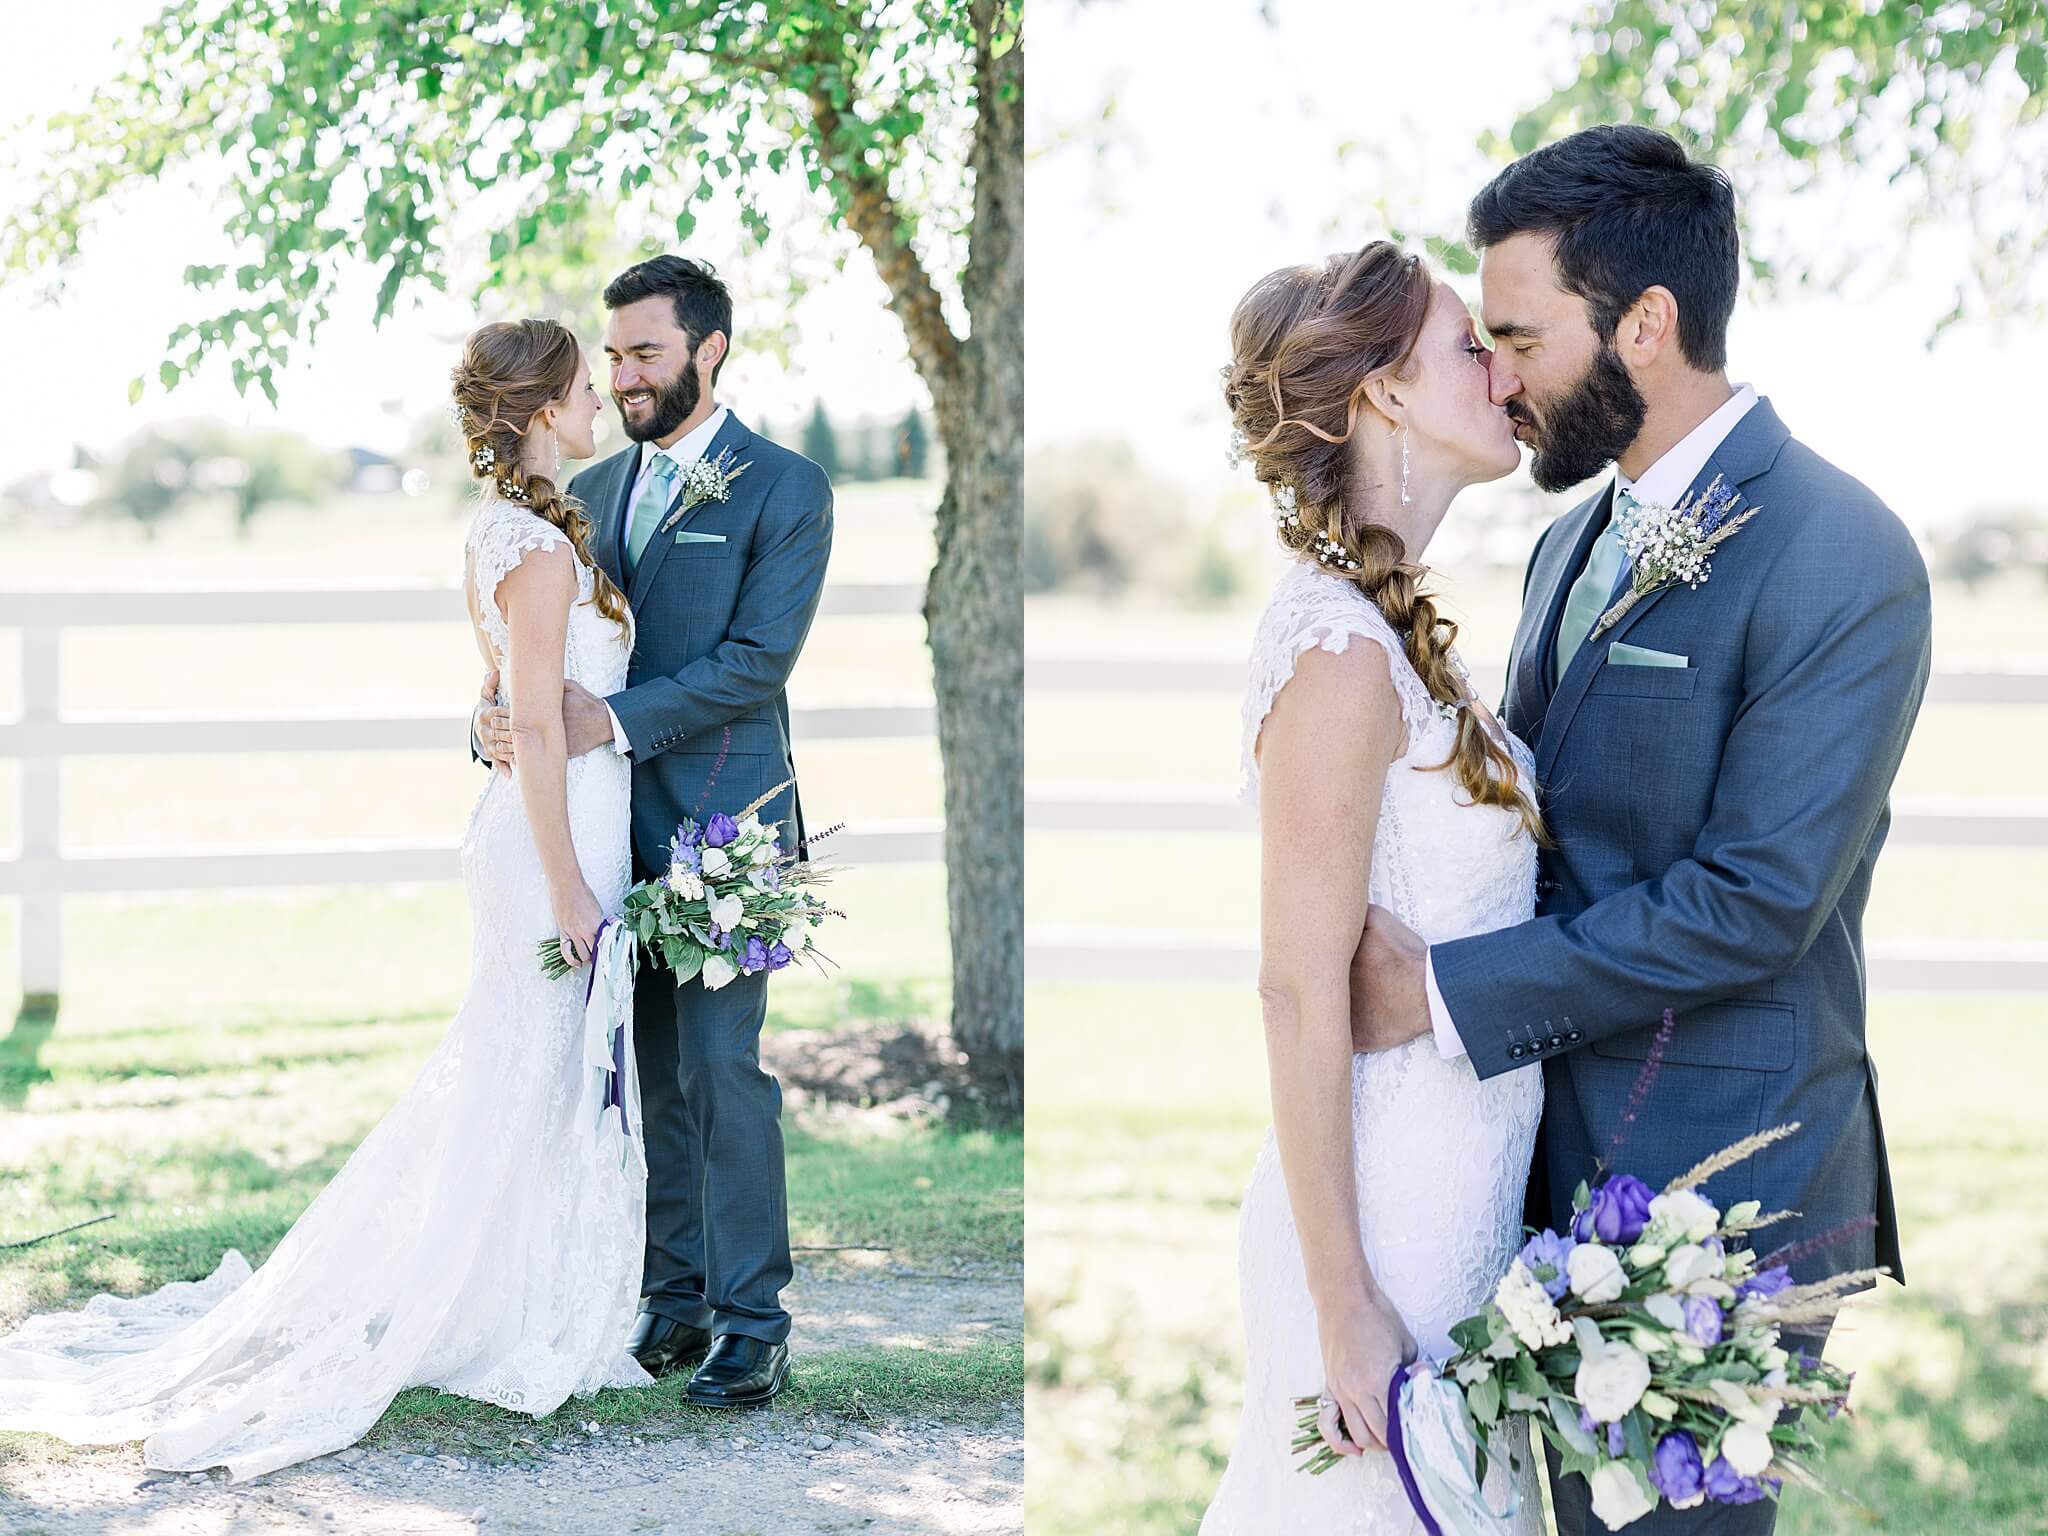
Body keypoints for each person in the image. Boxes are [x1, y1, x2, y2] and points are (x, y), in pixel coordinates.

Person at [1347, 126, 1931, 1535]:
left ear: (1647, 325)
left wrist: (1435, 991)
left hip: (1723, 1183)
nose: (1500, 374)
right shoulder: (1564, 544)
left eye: (1522, 336)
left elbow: (1755, 901)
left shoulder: (1842, 552)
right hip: (1534, 1164)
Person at [0, 317, 650, 1480]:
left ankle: (504, 1293)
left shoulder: (500, 534)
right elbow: (535, 720)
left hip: (534, 829)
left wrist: (509, 750)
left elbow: (501, 697)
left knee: (527, 1068)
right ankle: (492, 1312)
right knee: (527, 1065)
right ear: (544, 407)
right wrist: (567, 887)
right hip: (550, 845)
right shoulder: (541, 550)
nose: (598, 404)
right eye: (584, 390)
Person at [1201, 241, 1548, 1533]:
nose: (1503, 373)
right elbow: (1297, 990)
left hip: (1464, 1199)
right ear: (1384, 395)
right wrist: (1342, 1298)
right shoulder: (1340, 649)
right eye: (1470, 346)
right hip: (1382, 1221)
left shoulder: (1401, 634)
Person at [474, 255, 833, 1408]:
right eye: (614, 357)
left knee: (726, 1071)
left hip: (730, 833)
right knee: (652, 1073)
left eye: (645, 354)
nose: (623, 376)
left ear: (707, 351)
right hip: (610, 830)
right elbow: (547, 653)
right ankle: (669, 1302)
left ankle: (752, 1321)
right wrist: (495, 721)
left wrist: (600, 724)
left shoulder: (784, 488)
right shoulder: (598, 493)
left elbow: (754, 662)